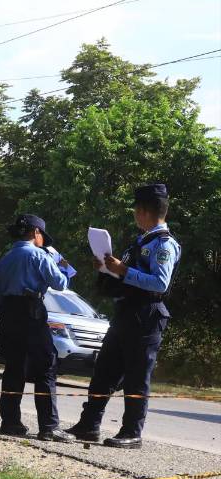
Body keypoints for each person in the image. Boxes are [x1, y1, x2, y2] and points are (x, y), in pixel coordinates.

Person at [68, 183, 181, 449]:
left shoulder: (164, 244)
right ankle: (89, 425)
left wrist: (123, 271)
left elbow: (160, 283)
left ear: (143, 211)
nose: (134, 214)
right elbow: (128, 276)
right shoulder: (142, 240)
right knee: (104, 371)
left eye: (135, 210)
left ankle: (132, 432)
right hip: (126, 312)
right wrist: (108, 268)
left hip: (146, 314)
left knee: (136, 376)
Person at [0, 214, 74, 442]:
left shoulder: (5, 258)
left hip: (8, 312)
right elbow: (61, 283)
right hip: (31, 311)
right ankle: (49, 426)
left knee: (14, 368)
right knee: (46, 365)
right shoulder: (39, 255)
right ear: (36, 233)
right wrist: (59, 261)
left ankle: (10, 421)